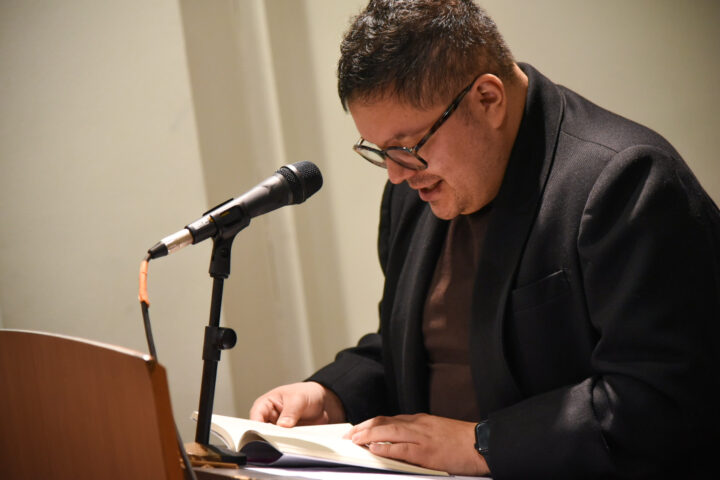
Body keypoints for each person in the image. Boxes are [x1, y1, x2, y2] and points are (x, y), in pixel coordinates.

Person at [250, 1, 720, 477]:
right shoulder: (415, 193)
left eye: (408, 146)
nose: (395, 174)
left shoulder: (626, 181)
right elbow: (414, 348)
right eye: (381, 151)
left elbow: (664, 401)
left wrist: (481, 445)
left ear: (488, 99)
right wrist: (330, 394)